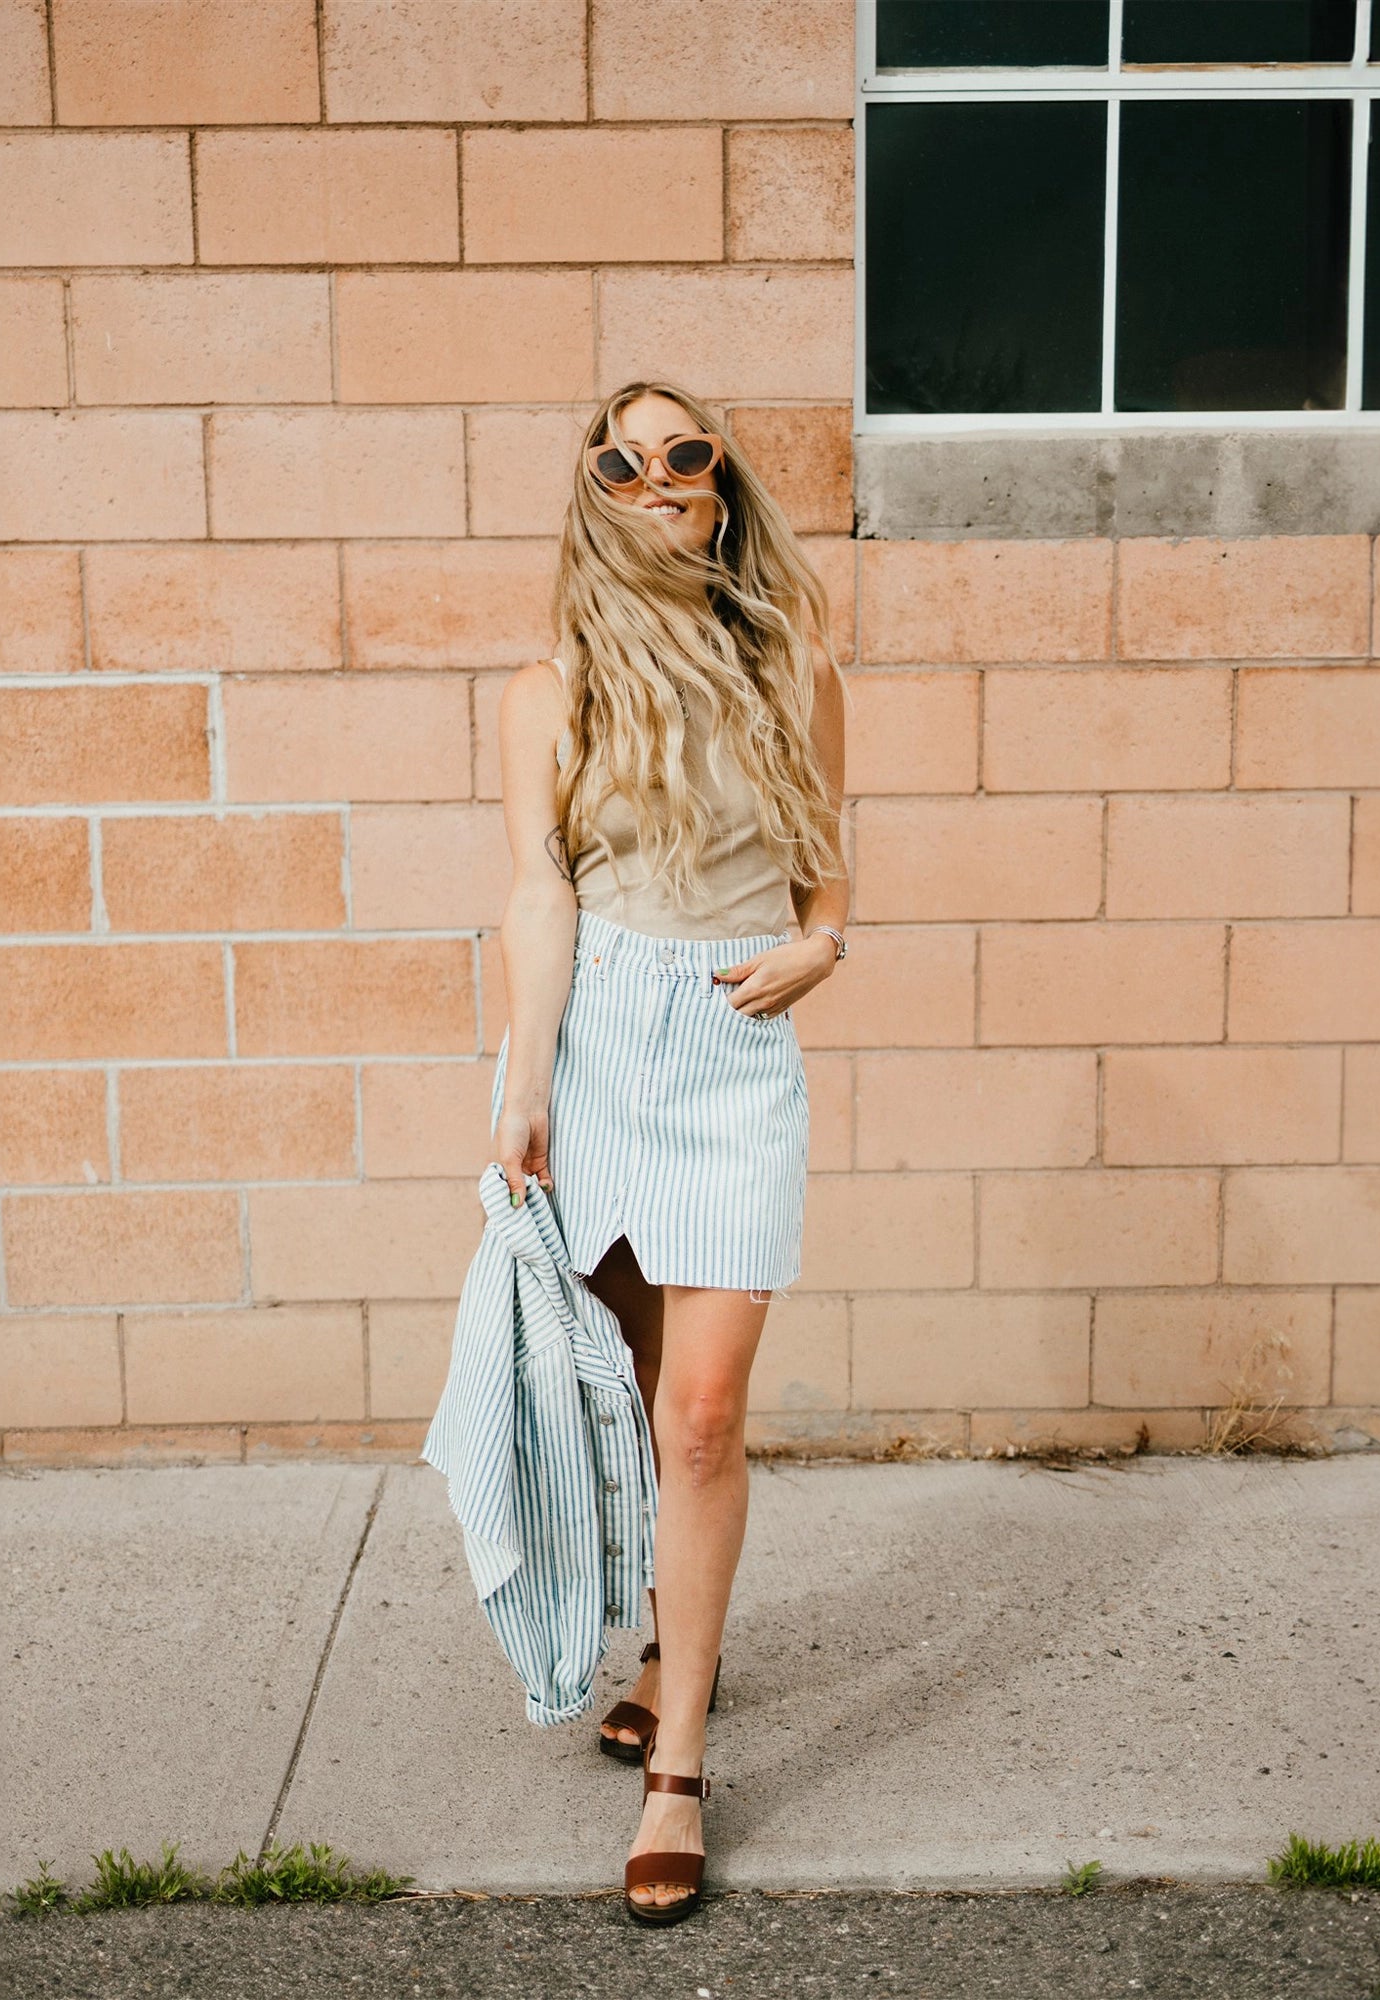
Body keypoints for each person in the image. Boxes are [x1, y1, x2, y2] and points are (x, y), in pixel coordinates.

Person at [491, 379, 850, 1924]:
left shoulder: (790, 663)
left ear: (719, 487)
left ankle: (679, 1765)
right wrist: (523, 1084)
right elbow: (540, 893)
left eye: (683, 454)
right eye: (621, 459)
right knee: (633, 1398)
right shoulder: (550, 682)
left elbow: (830, 871)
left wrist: (825, 947)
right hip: (598, 1045)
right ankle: (659, 1647)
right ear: (594, 489)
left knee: (701, 1413)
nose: (655, 478)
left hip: (728, 1050)